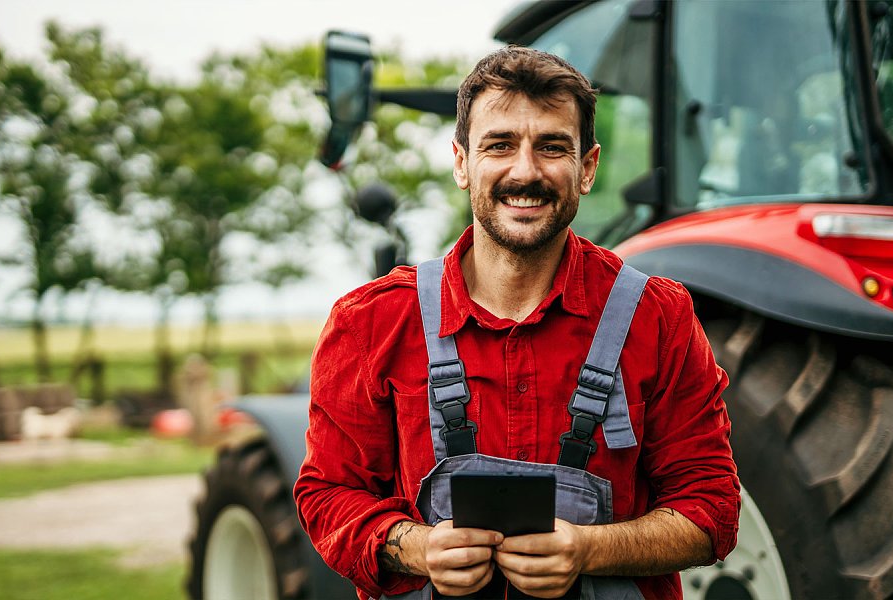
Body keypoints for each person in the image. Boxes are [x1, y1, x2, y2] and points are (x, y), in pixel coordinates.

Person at [294, 46, 740, 600]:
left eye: (551, 147)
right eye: (499, 145)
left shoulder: (659, 318)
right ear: (462, 163)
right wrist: (416, 547)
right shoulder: (371, 322)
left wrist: (589, 549)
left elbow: (712, 507)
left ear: (587, 168)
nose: (525, 172)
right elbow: (328, 494)